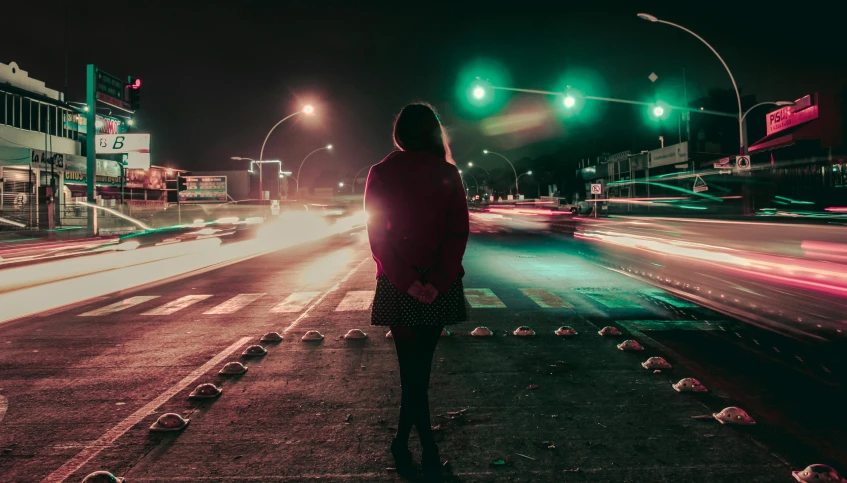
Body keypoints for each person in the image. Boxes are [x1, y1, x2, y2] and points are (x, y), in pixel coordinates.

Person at [364, 103, 470, 480]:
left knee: (412, 373)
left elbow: (378, 235)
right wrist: (436, 281)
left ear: (401, 134)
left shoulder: (381, 172)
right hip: (439, 287)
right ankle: (424, 447)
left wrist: (406, 279)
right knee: (418, 374)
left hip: (397, 286)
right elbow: (457, 234)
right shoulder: (448, 173)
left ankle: (408, 444)